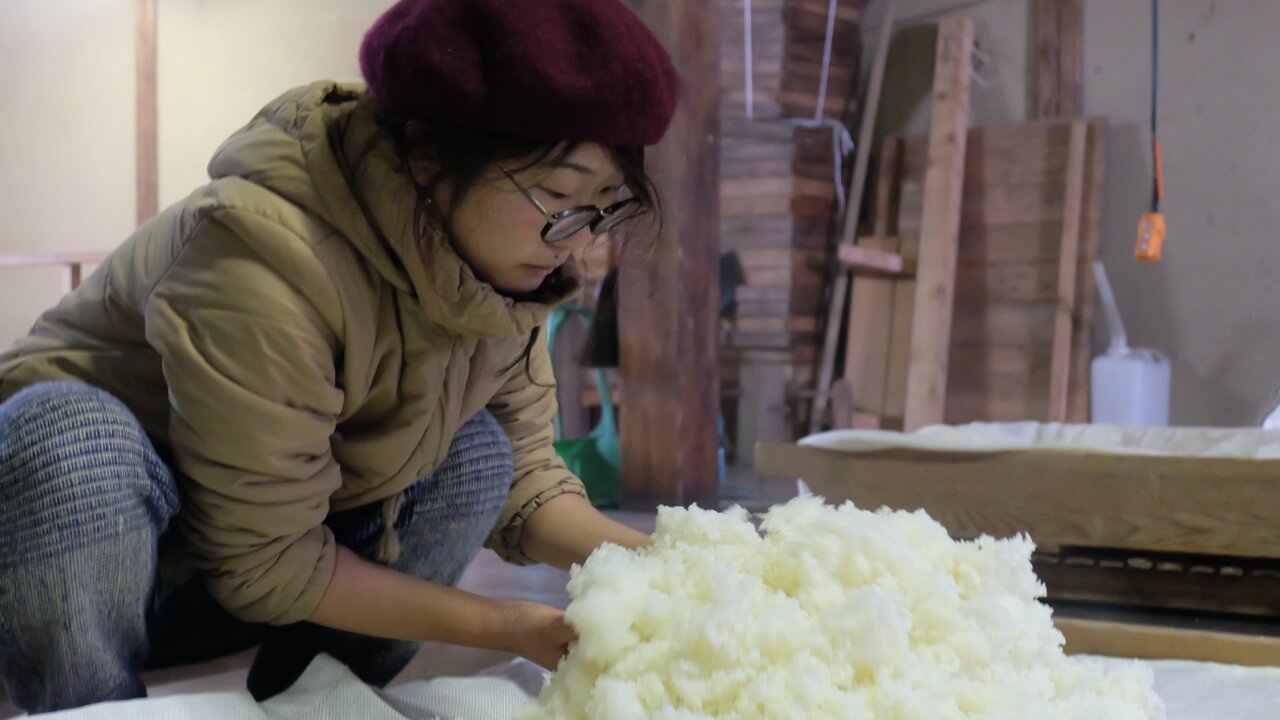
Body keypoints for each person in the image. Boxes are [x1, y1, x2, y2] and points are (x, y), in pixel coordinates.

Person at [0, 0, 680, 712]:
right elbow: (261, 558)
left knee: (476, 453)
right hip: (74, 572)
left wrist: (690, 565)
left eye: (606, 203)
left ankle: (321, 701)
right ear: (427, 157)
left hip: (252, 566)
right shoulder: (265, 256)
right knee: (68, 438)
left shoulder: (499, 263)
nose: (577, 239)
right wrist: (504, 623)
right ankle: (90, 711)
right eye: (559, 195)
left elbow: (529, 482)